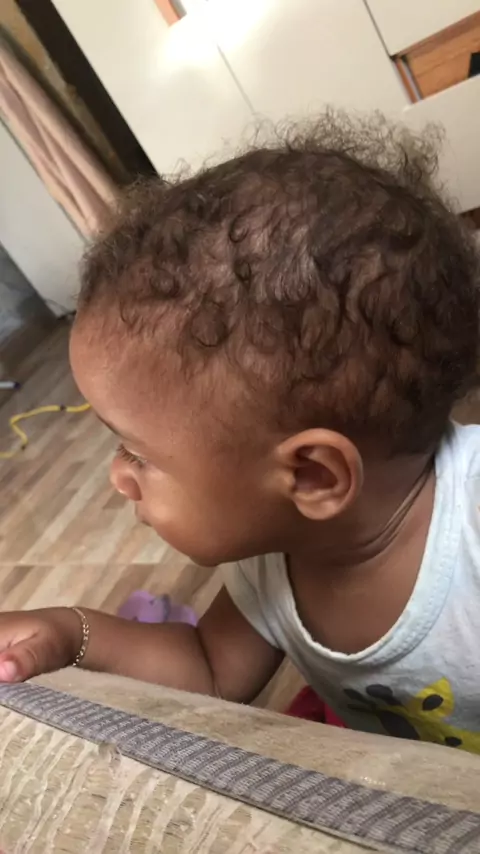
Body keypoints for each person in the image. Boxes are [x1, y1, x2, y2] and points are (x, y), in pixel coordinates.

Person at [1, 113, 480, 753]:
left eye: (136, 453)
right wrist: (70, 632)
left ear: (312, 475)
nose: (118, 477)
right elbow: (208, 668)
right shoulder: (276, 555)